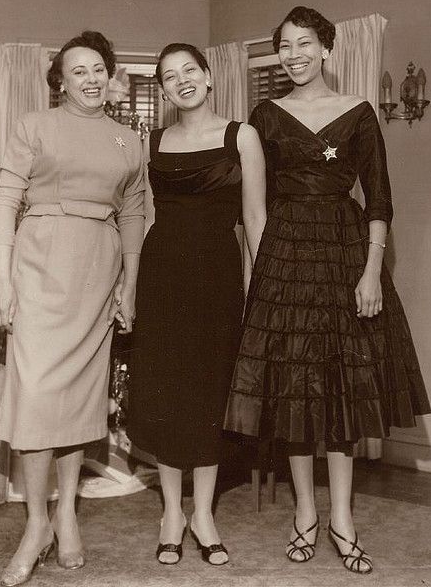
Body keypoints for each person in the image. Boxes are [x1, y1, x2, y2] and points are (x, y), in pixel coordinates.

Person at [224, 6, 431, 574]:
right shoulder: (263, 117)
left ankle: (343, 521)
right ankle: (304, 518)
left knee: (339, 394)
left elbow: (381, 201)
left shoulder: (360, 114)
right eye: (284, 47)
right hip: (284, 261)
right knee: (294, 393)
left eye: (304, 44)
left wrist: (371, 272)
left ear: (327, 49)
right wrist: (265, 275)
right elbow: (256, 206)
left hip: (345, 257)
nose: (294, 55)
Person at [0, 31, 145, 586]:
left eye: (99, 68)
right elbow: (7, 199)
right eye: (78, 70)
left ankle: (67, 515)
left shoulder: (130, 141)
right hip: (38, 265)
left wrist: (128, 284)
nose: (90, 78)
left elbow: (132, 217)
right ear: (60, 80)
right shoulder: (33, 125)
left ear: (111, 75)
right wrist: (3, 281)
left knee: (78, 400)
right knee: (35, 398)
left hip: (97, 270)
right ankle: (36, 525)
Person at [126, 43, 266, 566]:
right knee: (167, 391)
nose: (180, 81)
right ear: (161, 91)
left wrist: (261, 287)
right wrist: (130, 281)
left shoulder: (241, 135)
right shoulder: (153, 140)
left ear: (208, 78)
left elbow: (255, 220)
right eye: (168, 76)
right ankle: (170, 512)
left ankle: (203, 514)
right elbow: (137, 214)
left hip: (218, 278)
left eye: (189, 71)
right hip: (164, 277)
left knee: (209, 391)